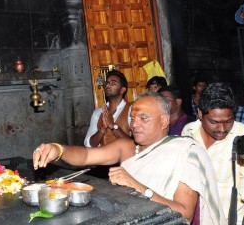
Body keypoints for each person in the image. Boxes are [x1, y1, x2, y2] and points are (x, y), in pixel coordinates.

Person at [33, 92, 226, 224]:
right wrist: (57, 149)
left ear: (164, 120)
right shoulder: (127, 147)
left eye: (144, 118)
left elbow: (184, 213)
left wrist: (136, 185)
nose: (135, 124)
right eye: (133, 119)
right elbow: (85, 156)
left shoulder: (186, 152)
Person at [182, 83, 244, 224]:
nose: (222, 129)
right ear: (200, 113)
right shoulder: (189, 131)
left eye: (229, 121)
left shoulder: (243, 137)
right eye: (214, 122)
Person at [84, 70, 131, 147]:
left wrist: (113, 125)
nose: (107, 86)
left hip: (125, 159)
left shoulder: (131, 110)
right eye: (107, 83)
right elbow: (88, 144)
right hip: (102, 157)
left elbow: (133, 144)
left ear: (122, 90)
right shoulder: (98, 113)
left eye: (113, 83)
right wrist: (102, 129)